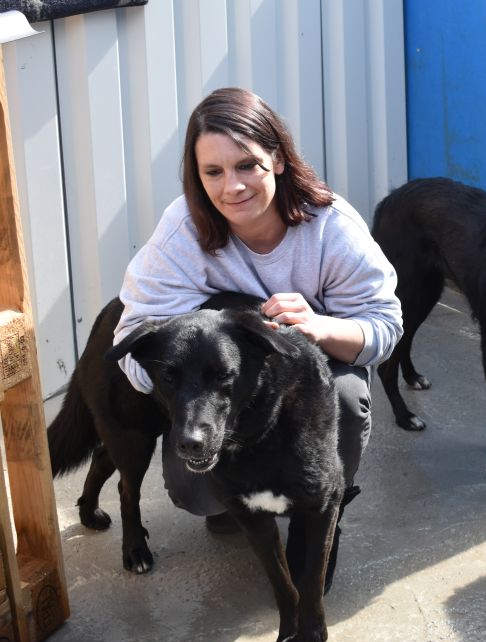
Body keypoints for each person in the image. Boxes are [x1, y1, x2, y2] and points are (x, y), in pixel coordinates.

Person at [112, 88, 403, 568]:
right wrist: (188, 369)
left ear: (280, 160)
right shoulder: (182, 229)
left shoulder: (331, 227)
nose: (232, 187)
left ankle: (322, 512)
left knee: (347, 403)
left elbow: (384, 327)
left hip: (310, 372)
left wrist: (320, 325)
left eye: (247, 165)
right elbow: (134, 338)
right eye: (213, 172)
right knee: (194, 491)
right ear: (197, 175)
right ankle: (238, 496)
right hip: (226, 381)